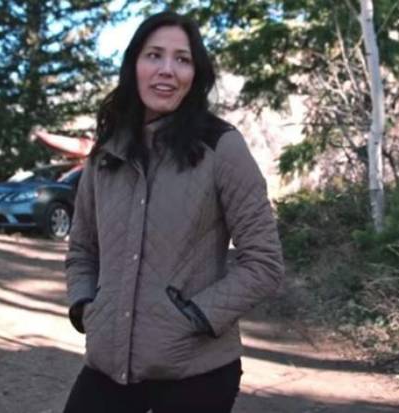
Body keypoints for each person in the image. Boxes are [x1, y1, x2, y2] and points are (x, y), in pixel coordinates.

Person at [62, 11, 284, 413]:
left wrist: (194, 317)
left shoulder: (222, 147)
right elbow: (82, 249)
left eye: (182, 59)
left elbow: (264, 262)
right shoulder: (106, 153)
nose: (167, 69)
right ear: (134, 65)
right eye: (154, 55)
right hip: (108, 365)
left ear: (195, 75)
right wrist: (85, 306)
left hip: (196, 372)